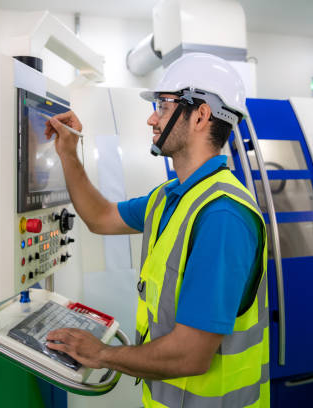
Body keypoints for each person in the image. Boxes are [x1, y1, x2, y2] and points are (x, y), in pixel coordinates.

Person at [44, 53, 269, 408]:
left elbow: (191, 356)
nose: (152, 118)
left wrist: (102, 354)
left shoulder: (223, 216)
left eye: (163, 106)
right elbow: (100, 217)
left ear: (201, 115)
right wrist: (69, 152)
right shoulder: (169, 197)